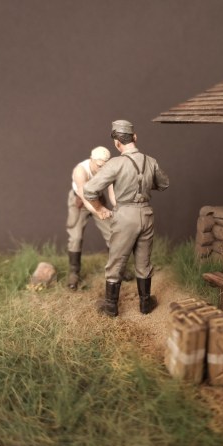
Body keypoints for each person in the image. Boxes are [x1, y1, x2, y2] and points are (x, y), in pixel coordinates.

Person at [83, 120, 169, 316]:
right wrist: (143, 183)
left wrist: (99, 208)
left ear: (116, 143)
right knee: (144, 261)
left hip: (125, 215)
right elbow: (164, 184)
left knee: (117, 260)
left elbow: (89, 190)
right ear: (135, 137)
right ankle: (145, 303)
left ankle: (111, 306)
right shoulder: (151, 161)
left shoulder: (115, 163)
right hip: (146, 214)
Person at [66, 146, 115, 290]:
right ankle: (74, 272)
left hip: (99, 200)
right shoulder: (80, 171)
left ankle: (116, 269)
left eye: (105, 165)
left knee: (113, 234)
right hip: (81, 203)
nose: (102, 169)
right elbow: (84, 196)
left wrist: (117, 207)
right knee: (75, 237)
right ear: (92, 160)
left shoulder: (109, 168)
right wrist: (98, 210)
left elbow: (112, 191)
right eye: (99, 165)